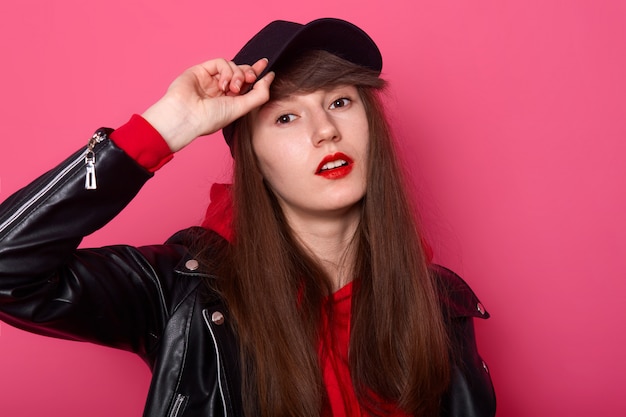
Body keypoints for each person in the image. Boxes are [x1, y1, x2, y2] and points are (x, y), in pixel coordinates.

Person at [0, 18, 495, 417]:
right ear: (251, 160)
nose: (325, 131)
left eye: (340, 102)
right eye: (285, 117)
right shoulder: (183, 292)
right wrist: (165, 127)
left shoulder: (438, 301)